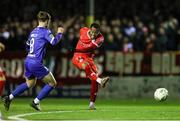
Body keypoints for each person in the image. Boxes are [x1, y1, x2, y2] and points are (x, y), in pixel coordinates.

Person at [2, 11, 64, 111]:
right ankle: (35, 102)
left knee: (30, 83)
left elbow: (27, 46)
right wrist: (60, 33)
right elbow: (54, 42)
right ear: (47, 21)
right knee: (52, 83)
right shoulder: (46, 31)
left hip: (28, 60)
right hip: (35, 62)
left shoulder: (33, 31)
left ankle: (9, 98)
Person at [72, 23, 110, 110]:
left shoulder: (100, 38)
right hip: (78, 56)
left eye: (95, 33)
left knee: (94, 79)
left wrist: (77, 48)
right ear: (89, 29)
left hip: (88, 57)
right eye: (92, 32)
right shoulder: (83, 30)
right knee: (86, 66)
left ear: (98, 32)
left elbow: (89, 48)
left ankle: (92, 104)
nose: (93, 34)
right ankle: (100, 80)